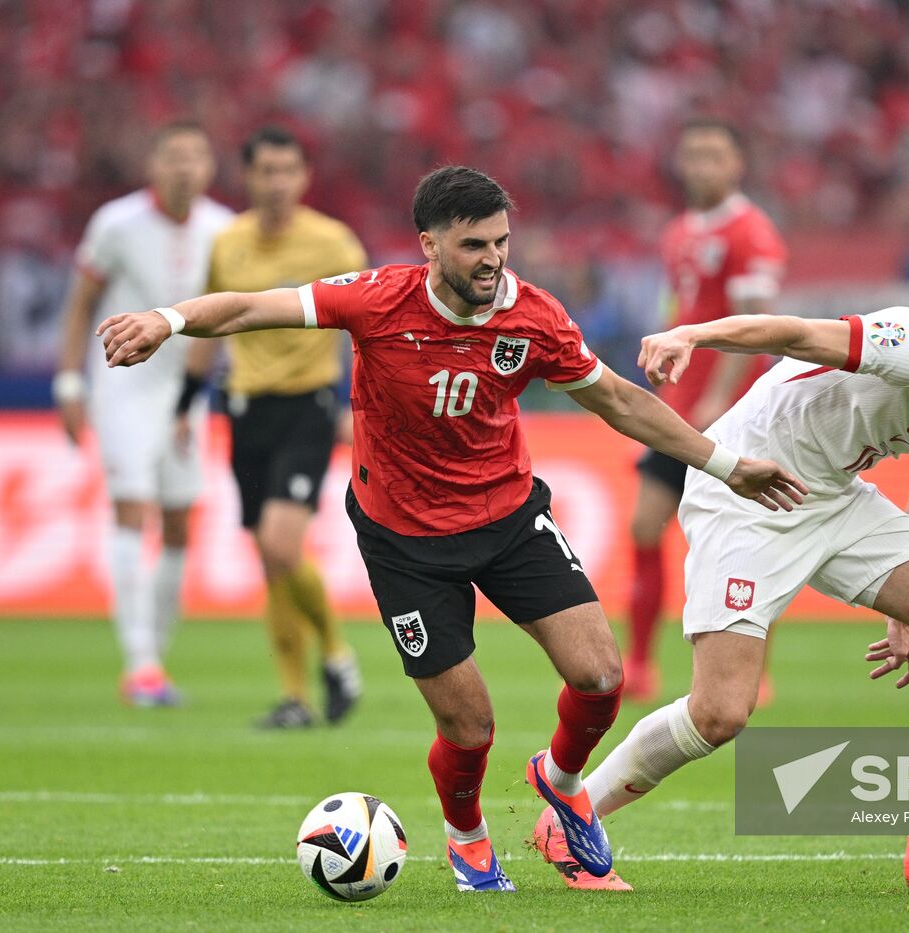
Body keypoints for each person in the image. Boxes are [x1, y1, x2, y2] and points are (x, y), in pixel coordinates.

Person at [94, 166, 806, 893]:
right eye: (474, 245)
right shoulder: (377, 299)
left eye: (500, 241)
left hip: (508, 517)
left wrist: (725, 464)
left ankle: (561, 783)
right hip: (403, 539)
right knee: (469, 724)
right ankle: (467, 834)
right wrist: (168, 319)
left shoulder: (534, 316)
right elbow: (250, 308)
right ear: (429, 245)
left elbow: (619, 400)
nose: (493, 259)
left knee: (601, 676)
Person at [532, 300, 909, 891]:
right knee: (720, 712)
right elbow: (796, 334)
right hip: (750, 487)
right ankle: (569, 814)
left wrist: (904, 614)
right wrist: (694, 334)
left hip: (834, 495)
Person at [182, 127, 367, 729]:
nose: (278, 182)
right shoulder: (227, 242)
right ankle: (295, 697)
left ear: (305, 177)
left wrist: (357, 405)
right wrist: (184, 401)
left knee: (281, 543)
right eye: (266, 171)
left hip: (308, 406)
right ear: (248, 177)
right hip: (245, 408)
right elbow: (209, 322)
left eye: (288, 170)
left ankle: (337, 655)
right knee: (269, 557)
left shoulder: (334, 243)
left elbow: (372, 330)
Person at [53, 121, 233, 706]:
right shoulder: (116, 223)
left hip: (186, 394)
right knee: (132, 508)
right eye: (174, 156)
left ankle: (155, 653)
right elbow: (81, 303)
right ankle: (141, 664)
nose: (185, 168)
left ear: (209, 167)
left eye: (196, 157)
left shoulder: (223, 230)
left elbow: (223, 319)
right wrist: (70, 382)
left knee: (180, 521)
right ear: (153, 164)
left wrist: (195, 395)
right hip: (122, 383)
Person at [625, 118, 787, 703]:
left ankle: (754, 669)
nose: (702, 167)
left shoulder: (751, 231)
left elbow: (760, 327)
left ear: (737, 164)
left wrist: (721, 394)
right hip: (680, 410)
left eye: (715, 156)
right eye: (693, 156)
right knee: (645, 525)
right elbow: (679, 309)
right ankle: (639, 665)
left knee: (748, 540)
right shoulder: (678, 233)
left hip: (737, 411)